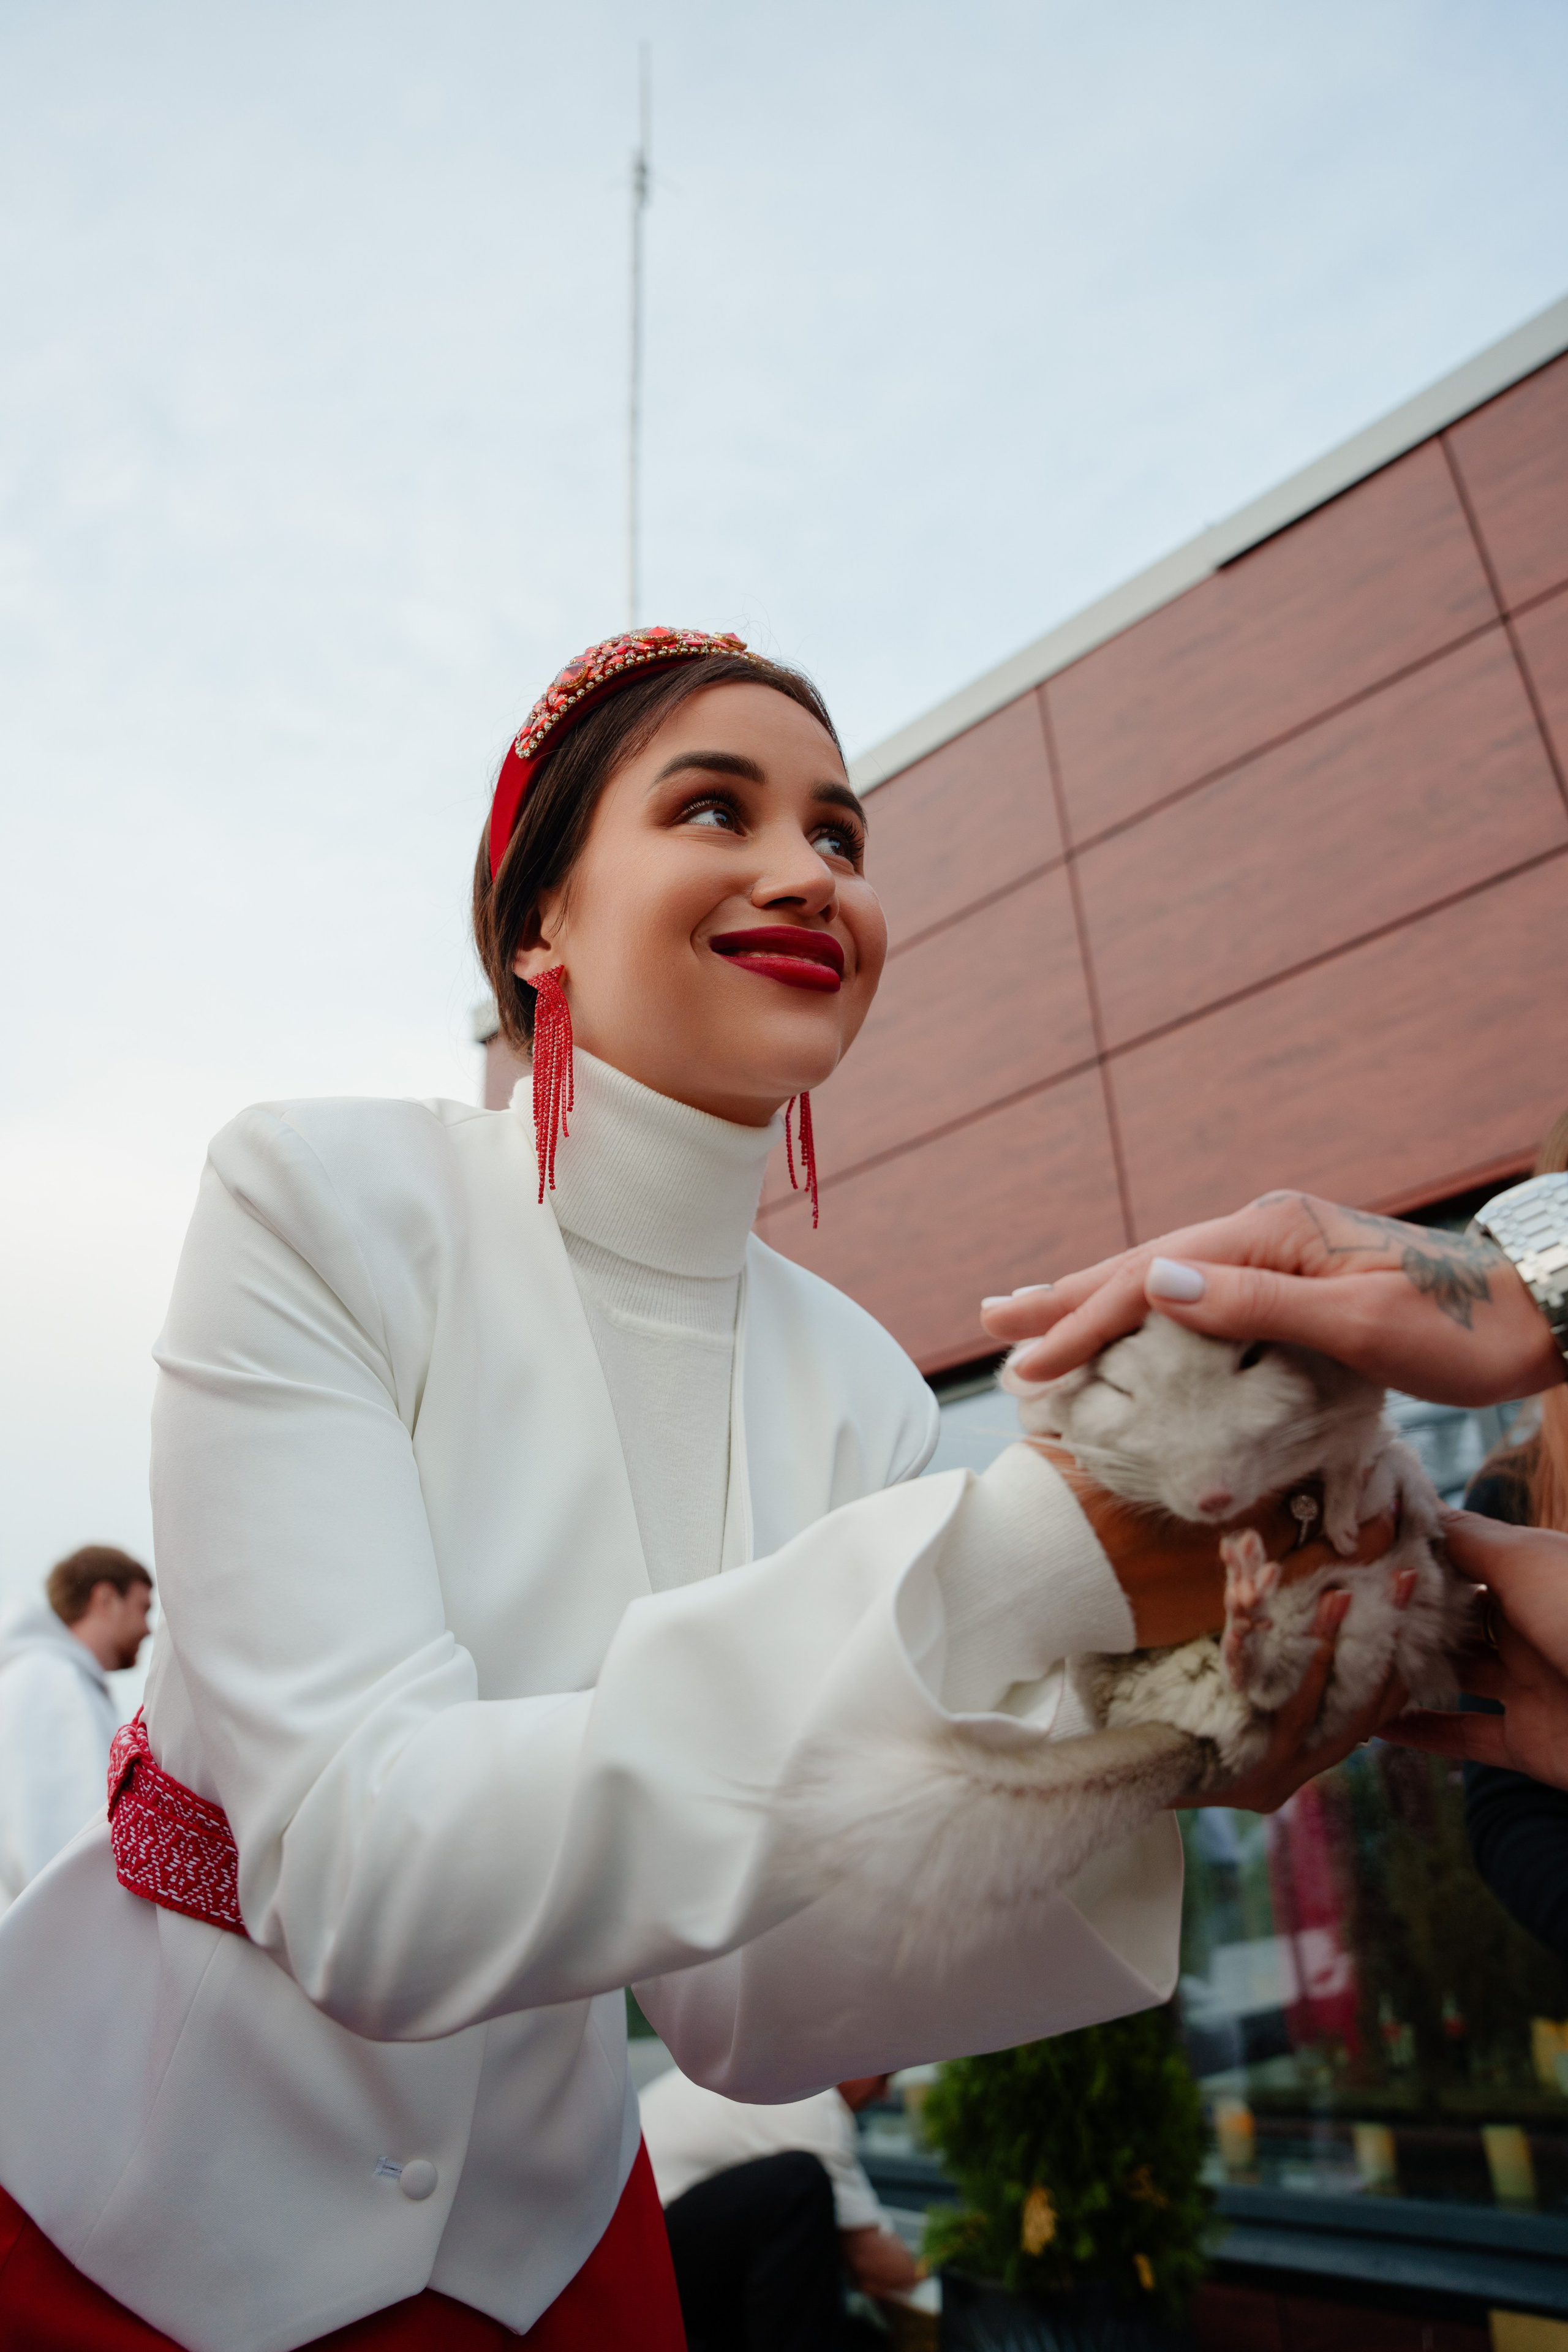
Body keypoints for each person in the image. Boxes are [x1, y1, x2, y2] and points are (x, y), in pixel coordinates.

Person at [0, 627, 1401, 2352]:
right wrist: (1043, 1551)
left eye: (841, 836)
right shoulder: (317, 1200)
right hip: (131, 2221)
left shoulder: (861, 1384)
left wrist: (1171, 1743)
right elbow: (363, 1877)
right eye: (714, 808)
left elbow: (753, 2003)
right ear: (537, 923)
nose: (804, 874)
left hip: (557, 2246)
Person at [640, 2065, 916, 2350]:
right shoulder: (804, 2098)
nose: (885, 2095)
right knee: (799, 2181)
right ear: (853, 2060)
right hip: (648, 2271)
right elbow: (880, 2269)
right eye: (885, 2077)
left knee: (862, 2339)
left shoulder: (763, 2076)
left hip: (661, 2258)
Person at [0, 1546, 152, 1918]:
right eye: (144, 1608)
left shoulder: (53, 1678)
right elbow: (57, 1847)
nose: (149, 1629)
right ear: (105, 1599)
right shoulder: (51, 1680)